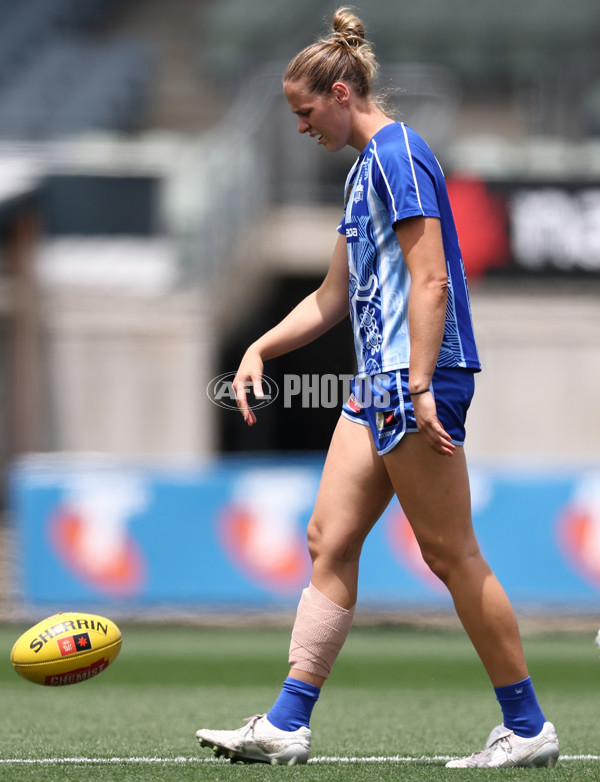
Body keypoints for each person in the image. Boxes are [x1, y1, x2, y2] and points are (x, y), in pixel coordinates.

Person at [196, 7, 559, 769]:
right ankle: (287, 723)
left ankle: (528, 728)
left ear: (339, 91)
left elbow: (430, 282)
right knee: (329, 538)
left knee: (450, 554)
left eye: (304, 112)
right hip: (377, 382)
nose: (301, 128)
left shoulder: (400, 154)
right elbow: (333, 295)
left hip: (417, 376)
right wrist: (260, 345)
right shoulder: (367, 169)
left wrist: (423, 383)